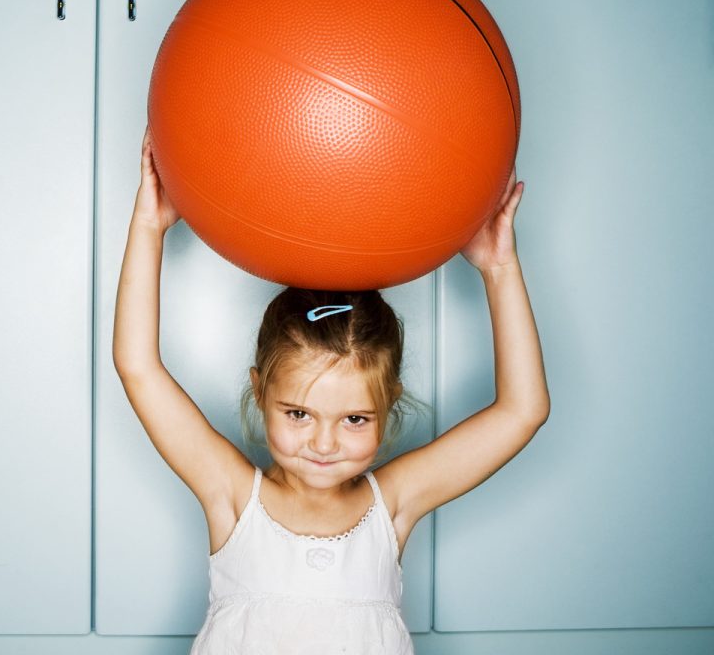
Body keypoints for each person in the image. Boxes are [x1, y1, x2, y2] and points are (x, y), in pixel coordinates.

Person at [113, 126, 550, 654]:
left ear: (388, 405)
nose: (324, 444)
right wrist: (147, 226)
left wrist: (500, 268)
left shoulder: (390, 507)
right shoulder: (232, 498)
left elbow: (522, 411)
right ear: (259, 392)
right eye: (298, 414)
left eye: (355, 419)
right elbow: (137, 365)